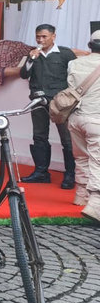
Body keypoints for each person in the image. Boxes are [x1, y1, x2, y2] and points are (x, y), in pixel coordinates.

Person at [19, 24, 78, 188]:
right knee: (39, 136)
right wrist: (31, 59)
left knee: (66, 138)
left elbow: (75, 76)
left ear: (53, 36)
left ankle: (70, 175)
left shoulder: (65, 53)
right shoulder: (33, 54)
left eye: (44, 36)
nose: (40, 40)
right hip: (38, 101)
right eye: (38, 36)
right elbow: (23, 75)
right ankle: (41, 172)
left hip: (60, 103)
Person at [66, 30, 100, 220]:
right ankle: (95, 204)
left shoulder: (75, 63)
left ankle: (80, 196)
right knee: (97, 160)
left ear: (90, 46)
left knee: (81, 158)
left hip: (76, 117)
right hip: (96, 119)